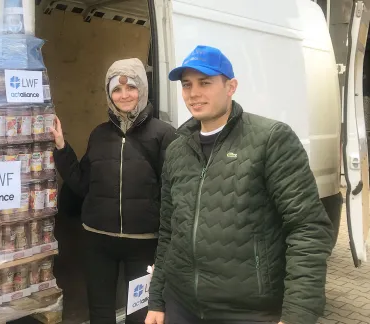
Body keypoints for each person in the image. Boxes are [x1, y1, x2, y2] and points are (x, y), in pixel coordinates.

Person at [145, 45, 334, 324]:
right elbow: (168, 231)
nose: (193, 93)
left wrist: (297, 315)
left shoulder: (270, 139)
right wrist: (157, 301)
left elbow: (308, 229)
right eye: (187, 85)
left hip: (248, 311)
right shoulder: (177, 149)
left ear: (231, 86)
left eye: (205, 83)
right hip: (182, 305)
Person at [50, 58, 177, 324]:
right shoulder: (99, 134)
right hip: (98, 240)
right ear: (109, 95)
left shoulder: (163, 135)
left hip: (143, 244)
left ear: (142, 89)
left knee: (139, 315)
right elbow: (82, 184)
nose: (124, 95)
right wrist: (62, 149)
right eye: (116, 90)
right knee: (100, 312)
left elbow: (173, 192)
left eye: (130, 87)